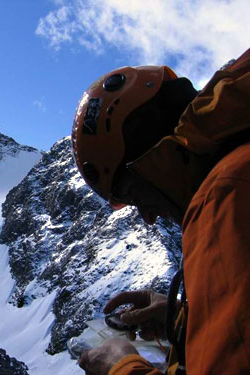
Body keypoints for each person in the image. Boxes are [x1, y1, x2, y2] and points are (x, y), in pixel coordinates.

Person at [71, 47, 250, 375]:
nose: (148, 217)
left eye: (131, 194)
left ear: (151, 158)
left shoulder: (224, 199)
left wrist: (121, 368)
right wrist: (191, 319)